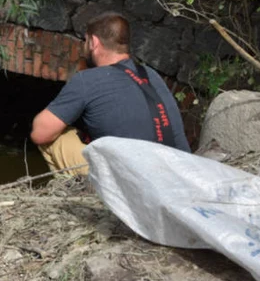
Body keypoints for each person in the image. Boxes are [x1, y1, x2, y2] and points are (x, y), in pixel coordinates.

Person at [30, 11, 189, 176]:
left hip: (135, 182)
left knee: (58, 138)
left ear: (94, 42)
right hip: (179, 172)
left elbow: (40, 133)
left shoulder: (87, 80)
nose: (84, 47)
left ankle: (79, 193)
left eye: (85, 41)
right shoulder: (151, 75)